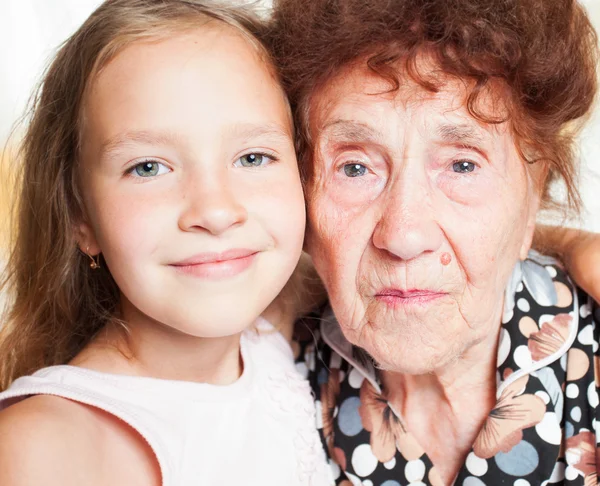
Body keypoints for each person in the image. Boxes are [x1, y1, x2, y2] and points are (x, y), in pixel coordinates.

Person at [267, 0, 600, 484]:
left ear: (531, 201)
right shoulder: (272, 374)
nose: (403, 235)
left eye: (463, 165)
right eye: (354, 167)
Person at [0, 1, 331, 485]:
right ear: (79, 215)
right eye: (148, 167)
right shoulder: (42, 449)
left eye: (253, 157)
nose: (216, 212)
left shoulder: (274, 337)